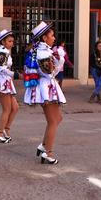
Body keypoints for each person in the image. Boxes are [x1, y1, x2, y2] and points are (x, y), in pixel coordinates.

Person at [24, 22, 66, 164]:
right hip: (46, 87)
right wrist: (60, 61)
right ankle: (48, 153)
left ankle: (43, 146)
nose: (54, 38)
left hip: (47, 86)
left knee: (57, 119)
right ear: (44, 38)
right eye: (52, 35)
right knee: (53, 121)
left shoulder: (44, 51)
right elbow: (49, 73)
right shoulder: (43, 53)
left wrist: (58, 61)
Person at [0, 30, 17, 143]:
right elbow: (2, 69)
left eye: (12, 41)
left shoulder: (5, 51)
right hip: (2, 82)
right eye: (9, 41)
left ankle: (6, 129)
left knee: (15, 108)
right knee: (7, 109)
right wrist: (16, 74)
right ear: (3, 41)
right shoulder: (1, 52)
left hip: (6, 81)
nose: (12, 43)